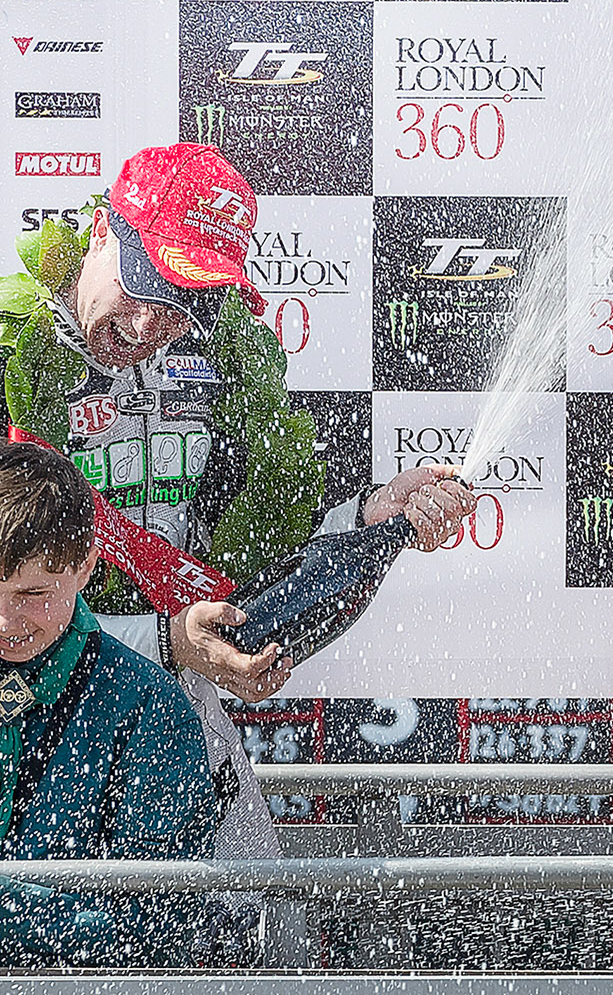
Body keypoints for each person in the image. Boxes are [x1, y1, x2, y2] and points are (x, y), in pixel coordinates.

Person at [0, 142, 474, 960]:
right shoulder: (10, 348)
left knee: (254, 927)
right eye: (147, 286)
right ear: (104, 228)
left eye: (184, 304)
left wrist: (367, 515)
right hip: (30, 713)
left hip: (172, 712)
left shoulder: (227, 359)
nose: (149, 326)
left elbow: (263, 547)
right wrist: (167, 641)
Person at [0, 438, 218, 967]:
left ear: (85, 567)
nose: (5, 621)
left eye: (33, 594)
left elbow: (156, 920)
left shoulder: (150, 708)